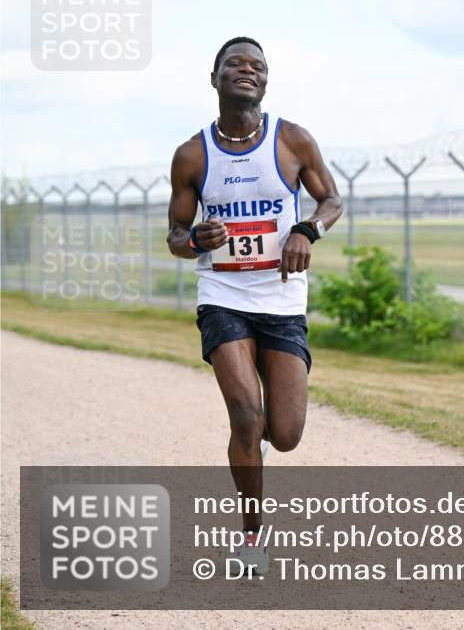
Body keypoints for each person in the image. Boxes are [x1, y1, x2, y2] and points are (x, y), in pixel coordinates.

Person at [166, 36, 342, 575]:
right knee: (246, 415)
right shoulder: (193, 154)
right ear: (214, 77)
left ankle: (255, 446)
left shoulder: (292, 140)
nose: (248, 70)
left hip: (283, 299)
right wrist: (197, 239)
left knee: (283, 434)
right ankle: (251, 540)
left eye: (258, 66)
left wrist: (306, 230)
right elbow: (174, 235)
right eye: (236, 64)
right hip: (223, 296)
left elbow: (331, 200)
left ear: (266, 80)